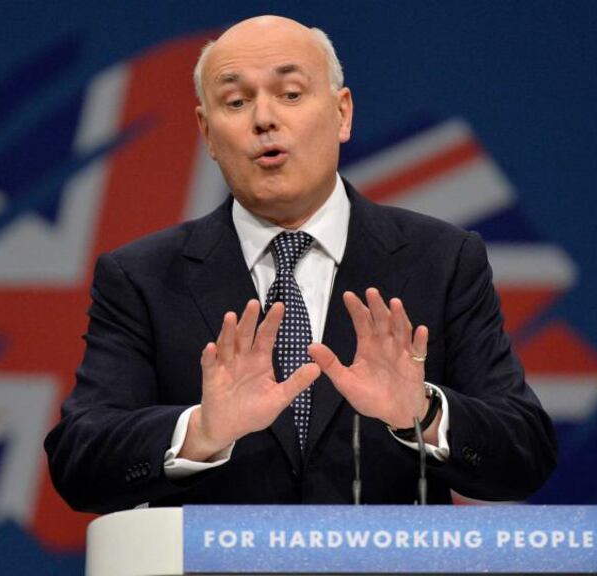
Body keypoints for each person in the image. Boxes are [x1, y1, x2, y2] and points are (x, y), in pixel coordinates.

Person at [44, 15, 556, 514]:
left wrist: (423, 413)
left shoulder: (442, 260)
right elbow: (79, 462)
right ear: (207, 132)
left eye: (290, 94)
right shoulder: (143, 277)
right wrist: (200, 432)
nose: (264, 119)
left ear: (342, 113)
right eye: (236, 101)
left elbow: (525, 453)